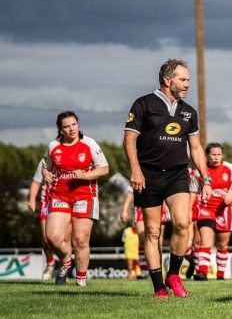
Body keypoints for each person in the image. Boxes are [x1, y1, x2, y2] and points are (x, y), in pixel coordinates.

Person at [123, 58, 212, 299]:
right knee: (152, 232)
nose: (187, 85)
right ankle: (158, 286)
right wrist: (135, 170)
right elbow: (129, 140)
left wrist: (206, 179)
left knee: (183, 223)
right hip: (148, 176)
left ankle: (173, 274)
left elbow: (195, 149)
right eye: (183, 80)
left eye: (188, 80)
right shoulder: (143, 104)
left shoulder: (188, 112)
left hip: (177, 175)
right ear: (167, 80)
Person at [42, 111, 109, 286]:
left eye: (74, 124)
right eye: (66, 126)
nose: (71, 129)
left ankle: (81, 279)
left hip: (84, 195)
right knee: (52, 237)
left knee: (80, 239)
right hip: (59, 195)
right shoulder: (53, 146)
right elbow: (45, 166)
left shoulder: (89, 144)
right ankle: (66, 260)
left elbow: (104, 168)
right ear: (60, 129)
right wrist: (46, 173)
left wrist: (85, 175)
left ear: (78, 125)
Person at [193, 143, 232, 280]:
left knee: (222, 245)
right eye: (213, 154)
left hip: (224, 210)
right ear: (207, 156)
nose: (216, 157)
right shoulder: (200, 170)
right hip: (205, 208)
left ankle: (220, 275)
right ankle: (202, 272)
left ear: (222, 155)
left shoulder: (230, 168)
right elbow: (193, 190)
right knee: (206, 241)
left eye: (218, 154)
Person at [29, 159, 57, 280]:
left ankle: (65, 265)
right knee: (46, 238)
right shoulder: (45, 161)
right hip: (47, 202)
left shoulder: (72, 156)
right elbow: (36, 181)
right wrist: (31, 200)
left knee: (65, 237)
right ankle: (50, 263)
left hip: (65, 201)